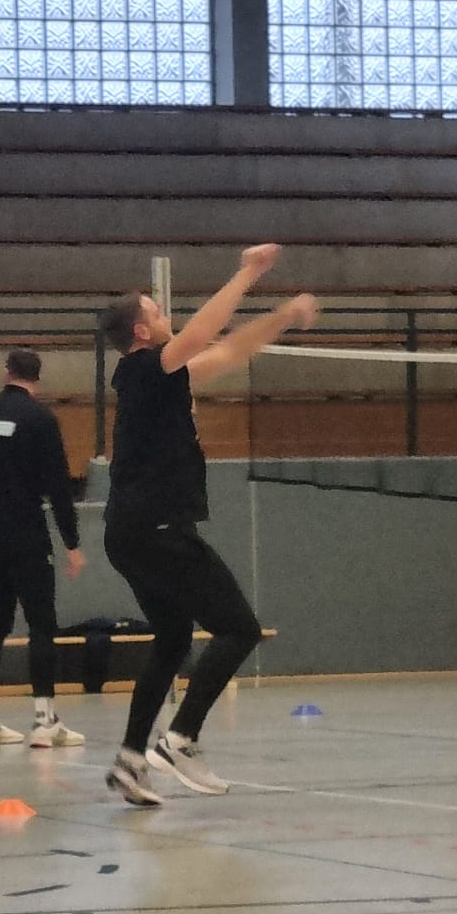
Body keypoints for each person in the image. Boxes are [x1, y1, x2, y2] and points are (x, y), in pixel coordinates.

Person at [98, 244, 319, 806]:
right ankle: (180, 739)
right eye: (154, 310)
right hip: (156, 528)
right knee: (239, 629)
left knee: (172, 639)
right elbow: (200, 334)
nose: (162, 314)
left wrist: (283, 318)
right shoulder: (146, 368)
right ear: (142, 332)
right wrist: (250, 271)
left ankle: (129, 761)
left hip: (131, 534)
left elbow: (228, 350)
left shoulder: (156, 377)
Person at [0, 346, 87, 750]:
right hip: (26, 532)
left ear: (6, 372)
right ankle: (44, 719)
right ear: (37, 377)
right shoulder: (40, 419)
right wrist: (71, 542)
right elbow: (58, 486)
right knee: (41, 622)